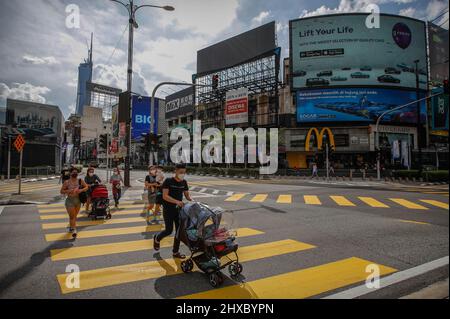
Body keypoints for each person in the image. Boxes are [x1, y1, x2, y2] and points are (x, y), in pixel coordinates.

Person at [153, 164, 192, 259]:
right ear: (176, 171)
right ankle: (157, 238)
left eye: (184, 172)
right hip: (168, 209)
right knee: (168, 230)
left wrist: (193, 201)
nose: (182, 174)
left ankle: (175, 252)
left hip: (179, 210)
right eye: (181, 172)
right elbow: (164, 196)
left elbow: (187, 196)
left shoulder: (184, 182)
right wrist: (176, 201)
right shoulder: (168, 181)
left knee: (179, 231)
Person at [60, 167, 88, 238]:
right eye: (73, 172)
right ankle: (74, 230)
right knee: (72, 217)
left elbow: (86, 187)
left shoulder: (80, 180)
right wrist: (69, 191)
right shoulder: (67, 182)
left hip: (78, 201)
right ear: (70, 173)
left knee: (74, 216)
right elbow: (61, 191)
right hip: (70, 201)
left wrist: (81, 190)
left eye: (76, 172)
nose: (75, 173)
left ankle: (71, 227)